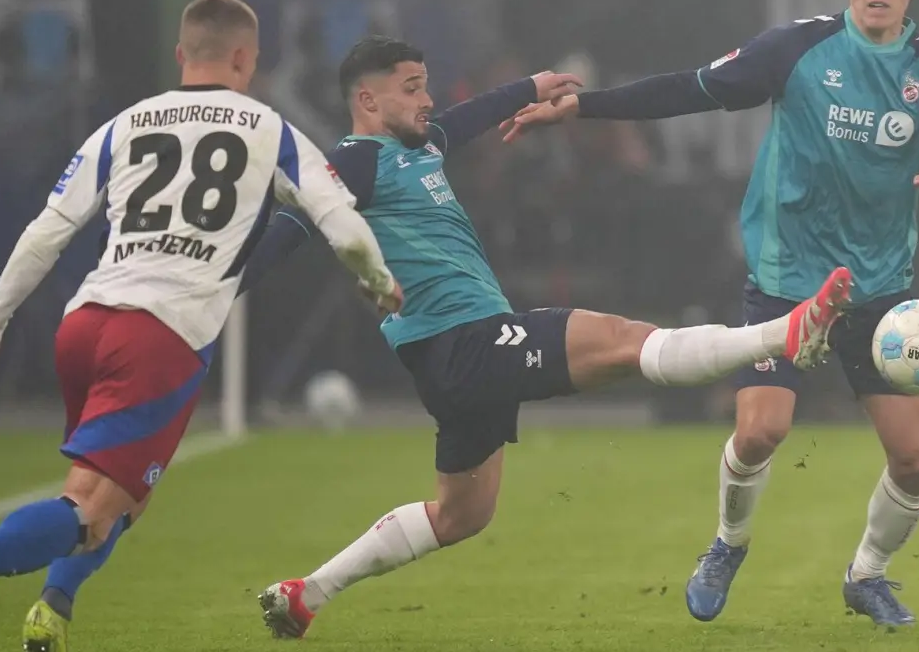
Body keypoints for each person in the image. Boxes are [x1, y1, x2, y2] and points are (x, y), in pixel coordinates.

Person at [238, 35, 853, 640]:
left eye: (425, 85)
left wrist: (528, 88)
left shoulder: (420, 146)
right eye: (411, 89)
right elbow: (292, 223)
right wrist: (221, 287)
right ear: (367, 102)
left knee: (461, 515)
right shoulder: (351, 162)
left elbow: (466, 117)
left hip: (452, 359)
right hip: (463, 341)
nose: (426, 100)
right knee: (621, 339)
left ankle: (306, 593)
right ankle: (782, 333)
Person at [0, 0, 401, 652]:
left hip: (85, 325)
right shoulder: (272, 130)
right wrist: (378, 283)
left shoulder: (123, 126)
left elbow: (47, 232)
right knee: (90, 515)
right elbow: (343, 226)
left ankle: (52, 612)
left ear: (182, 55)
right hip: (160, 339)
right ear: (245, 59)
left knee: (112, 499)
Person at [501, 0, 919, 626]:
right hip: (791, 278)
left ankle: (866, 575)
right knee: (759, 432)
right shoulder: (798, 49)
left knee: (915, 462)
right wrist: (583, 108)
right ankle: (727, 543)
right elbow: (691, 90)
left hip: (879, 291)